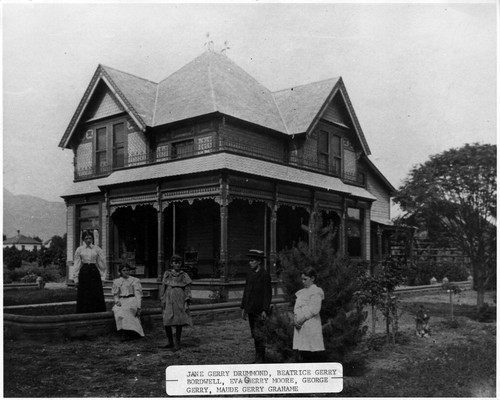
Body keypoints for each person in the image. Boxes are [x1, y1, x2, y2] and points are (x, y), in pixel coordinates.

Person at [241, 249, 272, 363]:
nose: (250, 262)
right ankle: (257, 356)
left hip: (259, 310)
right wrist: (243, 307)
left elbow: (267, 294)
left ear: (259, 261)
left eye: (252, 260)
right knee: (254, 334)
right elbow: (246, 291)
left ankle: (261, 358)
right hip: (250, 309)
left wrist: (265, 310)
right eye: (249, 260)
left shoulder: (264, 275)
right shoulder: (249, 274)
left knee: (260, 334)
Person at [160, 254, 192, 350]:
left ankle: (177, 342)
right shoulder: (167, 274)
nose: (177, 265)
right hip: (169, 296)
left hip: (179, 296)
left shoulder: (184, 275)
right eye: (175, 263)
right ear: (171, 264)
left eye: (179, 263)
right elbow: (163, 286)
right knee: (167, 319)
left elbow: (187, 288)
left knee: (178, 320)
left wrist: (186, 300)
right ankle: (170, 341)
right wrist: (162, 298)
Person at [293, 266, 325, 362]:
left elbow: (314, 310)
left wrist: (301, 321)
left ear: (312, 278)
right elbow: (297, 307)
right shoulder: (302, 292)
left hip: (310, 324)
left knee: (312, 349)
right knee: (303, 350)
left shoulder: (316, 292)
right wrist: (295, 320)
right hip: (300, 326)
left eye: (305, 279)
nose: (303, 281)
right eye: (302, 279)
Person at [72, 231, 107, 313]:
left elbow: (102, 265)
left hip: (94, 271)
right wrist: (76, 279)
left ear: (92, 239)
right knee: (84, 293)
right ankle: (84, 312)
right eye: (86, 238)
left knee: (95, 292)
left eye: (90, 238)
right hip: (84, 272)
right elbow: (76, 264)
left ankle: (97, 312)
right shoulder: (79, 249)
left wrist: (103, 277)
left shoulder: (97, 249)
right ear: (83, 239)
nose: (88, 240)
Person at [112, 264, 144, 341]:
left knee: (126, 310)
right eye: (124, 270)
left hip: (132, 299)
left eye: (127, 270)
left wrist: (139, 307)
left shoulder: (135, 280)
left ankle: (129, 333)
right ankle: (123, 331)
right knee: (117, 309)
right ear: (120, 272)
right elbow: (115, 295)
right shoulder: (117, 281)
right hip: (122, 300)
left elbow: (138, 294)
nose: (126, 272)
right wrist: (117, 301)